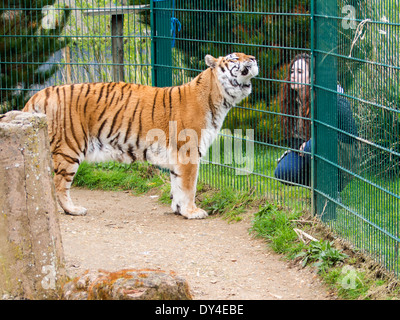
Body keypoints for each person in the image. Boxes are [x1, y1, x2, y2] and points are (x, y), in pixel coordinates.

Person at [274, 53, 358, 193]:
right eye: (292, 71)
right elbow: (293, 138)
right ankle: (319, 189)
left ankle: (332, 189)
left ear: (312, 77)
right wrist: (301, 146)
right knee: (284, 171)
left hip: (343, 152)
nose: (293, 76)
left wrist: (312, 144)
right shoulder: (293, 101)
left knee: (311, 147)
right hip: (313, 148)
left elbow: (349, 135)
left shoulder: (331, 99)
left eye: (300, 72)